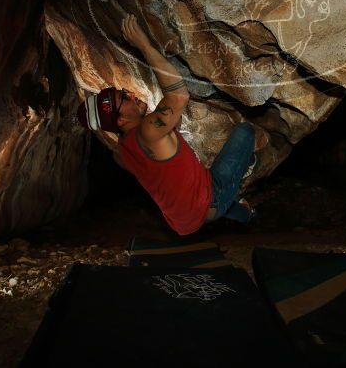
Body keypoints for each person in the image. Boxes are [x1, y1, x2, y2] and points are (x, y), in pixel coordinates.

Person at [76, 13, 257, 235]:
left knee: (225, 201)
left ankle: (245, 213)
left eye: (124, 92)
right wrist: (144, 45)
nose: (131, 94)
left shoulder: (121, 152)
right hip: (212, 199)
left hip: (182, 223)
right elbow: (179, 96)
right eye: (124, 99)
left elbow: (165, 157)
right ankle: (246, 167)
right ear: (121, 120)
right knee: (245, 132)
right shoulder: (149, 131)